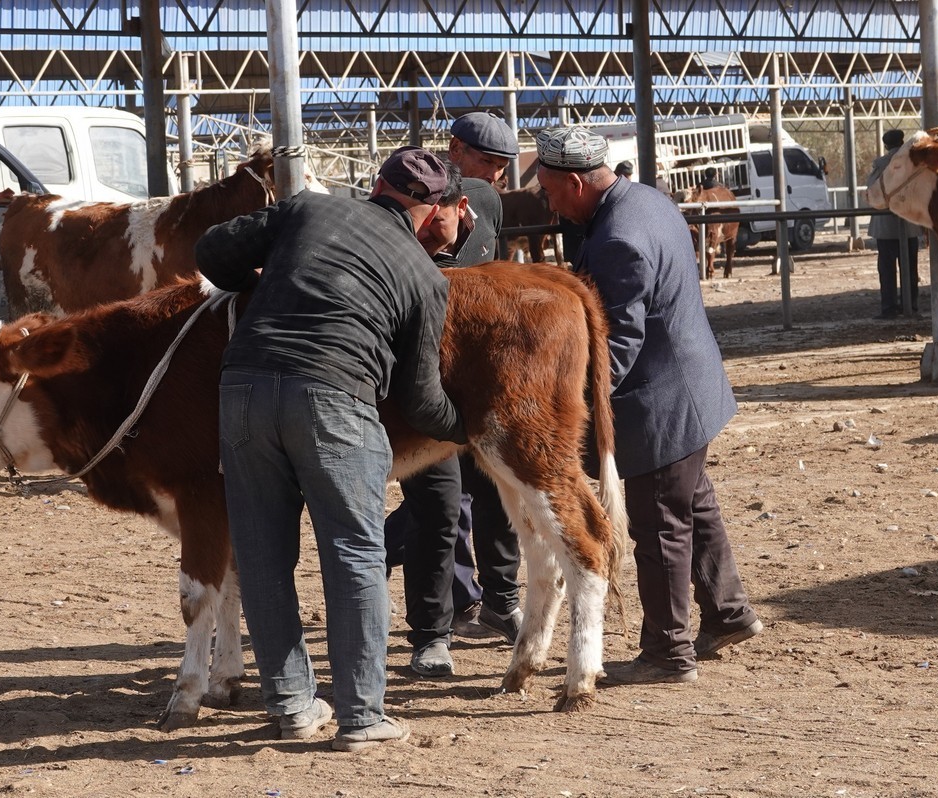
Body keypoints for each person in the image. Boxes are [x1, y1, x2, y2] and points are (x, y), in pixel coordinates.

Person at [195, 146, 468, 751]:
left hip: (242, 389)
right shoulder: (425, 277)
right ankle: (363, 718)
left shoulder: (307, 210)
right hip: (334, 398)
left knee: (263, 554)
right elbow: (421, 401)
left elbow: (210, 250)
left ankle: (293, 705)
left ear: (376, 184)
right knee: (354, 555)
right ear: (432, 211)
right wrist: (468, 427)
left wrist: (254, 283)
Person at [534, 126, 762, 685]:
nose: (546, 200)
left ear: (574, 181)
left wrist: (572, 407)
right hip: (691, 389)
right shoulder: (646, 200)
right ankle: (728, 614)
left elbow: (617, 341)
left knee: (660, 524)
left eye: (548, 188)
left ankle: (667, 652)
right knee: (693, 506)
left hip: (658, 402)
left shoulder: (619, 238)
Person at [383, 111, 523, 680]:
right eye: (488, 163)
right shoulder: (400, 212)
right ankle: (431, 632)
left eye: (500, 167)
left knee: (495, 497)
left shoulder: (486, 205)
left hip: (478, 379)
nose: (495, 177)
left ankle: (501, 598)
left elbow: (497, 273)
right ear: (455, 150)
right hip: (422, 387)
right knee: (436, 510)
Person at [866, 129, 920, 319]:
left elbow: (871, 191)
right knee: (910, 269)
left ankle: (889, 308)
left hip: (886, 227)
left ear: (886, 145)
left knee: (887, 270)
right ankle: (911, 306)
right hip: (910, 223)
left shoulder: (881, 165)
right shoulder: (913, 163)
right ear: (902, 142)